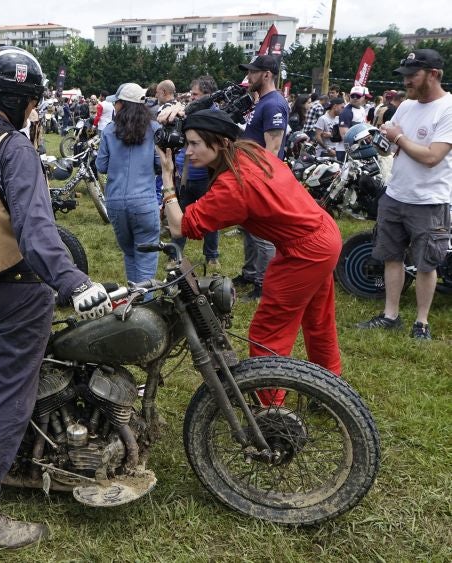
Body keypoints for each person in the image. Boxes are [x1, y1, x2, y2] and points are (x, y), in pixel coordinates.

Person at [0, 45, 111, 550]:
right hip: (20, 291)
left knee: (32, 364)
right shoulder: (12, 146)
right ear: (24, 100)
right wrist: (75, 283)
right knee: (10, 395)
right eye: (33, 101)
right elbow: (36, 231)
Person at [158, 109, 342, 377]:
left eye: (195, 143)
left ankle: (270, 410)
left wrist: (167, 179)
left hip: (306, 250)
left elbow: (179, 226)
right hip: (323, 234)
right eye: (186, 143)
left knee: (268, 333)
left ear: (220, 142)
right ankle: (330, 387)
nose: (188, 151)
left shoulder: (235, 185)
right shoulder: (248, 151)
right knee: (319, 321)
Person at [357, 49, 452, 340]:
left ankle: (421, 323)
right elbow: (397, 149)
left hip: (429, 200)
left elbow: (432, 156)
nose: (407, 81)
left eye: (413, 75)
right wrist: (384, 141)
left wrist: (398, 136)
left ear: (434, 74)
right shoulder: (408, 106)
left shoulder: (447, 108)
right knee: (391, 257)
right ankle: (391, 316)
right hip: (396, 194)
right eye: (406, 75)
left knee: (426, 263)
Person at [235, 54, 289, 300]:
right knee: (249, 228)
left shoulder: (274, 104)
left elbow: (273, 148)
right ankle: (249, 273)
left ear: (267, 74)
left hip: (261, 178)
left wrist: (262, 184)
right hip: (250, 175)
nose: (249, 76)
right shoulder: (264, 101)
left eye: (253, 72)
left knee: (262, 235)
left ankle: (262, 286)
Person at [96, 83, 161, 283]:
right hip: (144, 202)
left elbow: (101, 166)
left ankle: (135, 300)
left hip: (115, 202)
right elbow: (160, 164)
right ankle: (145, 305)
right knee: (146, 256)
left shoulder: (108, 131)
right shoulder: (154, 129)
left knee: (130, 254)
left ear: (122, 105)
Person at [173, 75, 221, 269]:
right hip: (184, 173)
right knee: (181, 214)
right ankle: (175, 254)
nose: (192, 98)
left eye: (195, 94)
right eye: (191, 94)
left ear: (208, 95)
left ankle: (211, 256)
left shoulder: (217, 116)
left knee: (210, 217)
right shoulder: (188, 113)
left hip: (206, 177)